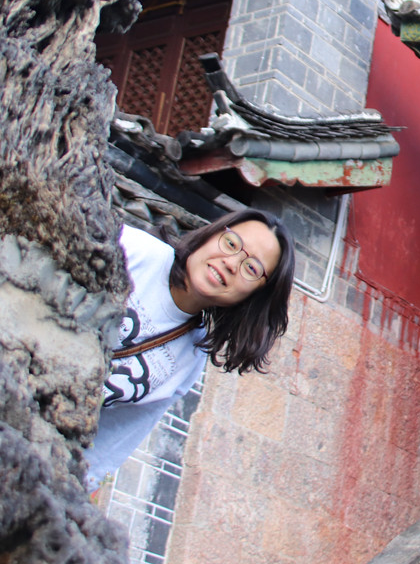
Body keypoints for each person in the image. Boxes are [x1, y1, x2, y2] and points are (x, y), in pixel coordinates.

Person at [85, 208, 296, 490]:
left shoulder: (188, 361)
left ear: (254, 297)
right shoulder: (132, 250)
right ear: (212, 234)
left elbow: (103, 448)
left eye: (252, 268)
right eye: (232, 244)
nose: (232, 263)